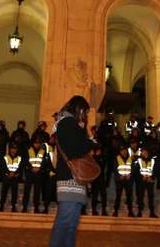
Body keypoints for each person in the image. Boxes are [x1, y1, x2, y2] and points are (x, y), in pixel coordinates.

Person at [48, 95, 95, 247]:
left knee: (71, 225)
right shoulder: (67, 123)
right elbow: (74, 149)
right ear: (78, 109)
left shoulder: (69, 124)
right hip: (69, 177)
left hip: (74, 178)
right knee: (64, 222)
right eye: (85, 112)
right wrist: (90, 143)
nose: (85, 115)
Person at [0, 143, 24, 212]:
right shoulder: (5, 157)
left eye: (15, 149)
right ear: (10, 149)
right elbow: (3, 167)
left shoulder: (19, 158)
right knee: (4, 192)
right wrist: (9, 173)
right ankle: (1, 206)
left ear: (17, 150)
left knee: (14, 193)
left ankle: (13, 207)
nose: (13, 150)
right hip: (7, 177)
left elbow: (20, 168)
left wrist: (14, 173)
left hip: (15, 178)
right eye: (12, 149)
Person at [113, 144, 135, 217]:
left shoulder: (130, 158)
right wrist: (119, 177)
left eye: (125, 150)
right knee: (118, 196)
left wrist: (130, 175)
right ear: (120, 151)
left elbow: (133, 169)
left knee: (129, 196)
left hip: (128, 180)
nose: (124, 152)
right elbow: (115, 169)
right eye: (122, 150)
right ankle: (115, 211)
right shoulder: (117, 158)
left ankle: (130, 211)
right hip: (120, 180)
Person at [135, 146, 158, 217]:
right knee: (140, 196)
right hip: (141, 181)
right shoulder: (138, 160)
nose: (144, 153)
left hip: (150, 181)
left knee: (151, 196)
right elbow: (136, 171)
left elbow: (155, 171)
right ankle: (139, 211)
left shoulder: (152, 160)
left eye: (145, 151)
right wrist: (142, 177)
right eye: (143, 152)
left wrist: (152, 178)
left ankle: (152, 212)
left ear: (148, 152)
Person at [88, 144, 108, 216]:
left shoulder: (102, 157)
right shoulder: (92, 158)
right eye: (98, 150)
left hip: (101, 179)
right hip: (95, 179)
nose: (100, 151)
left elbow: (104, 166)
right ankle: (94, 210)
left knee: (103, 195)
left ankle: (103, 210)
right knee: (95, 195)